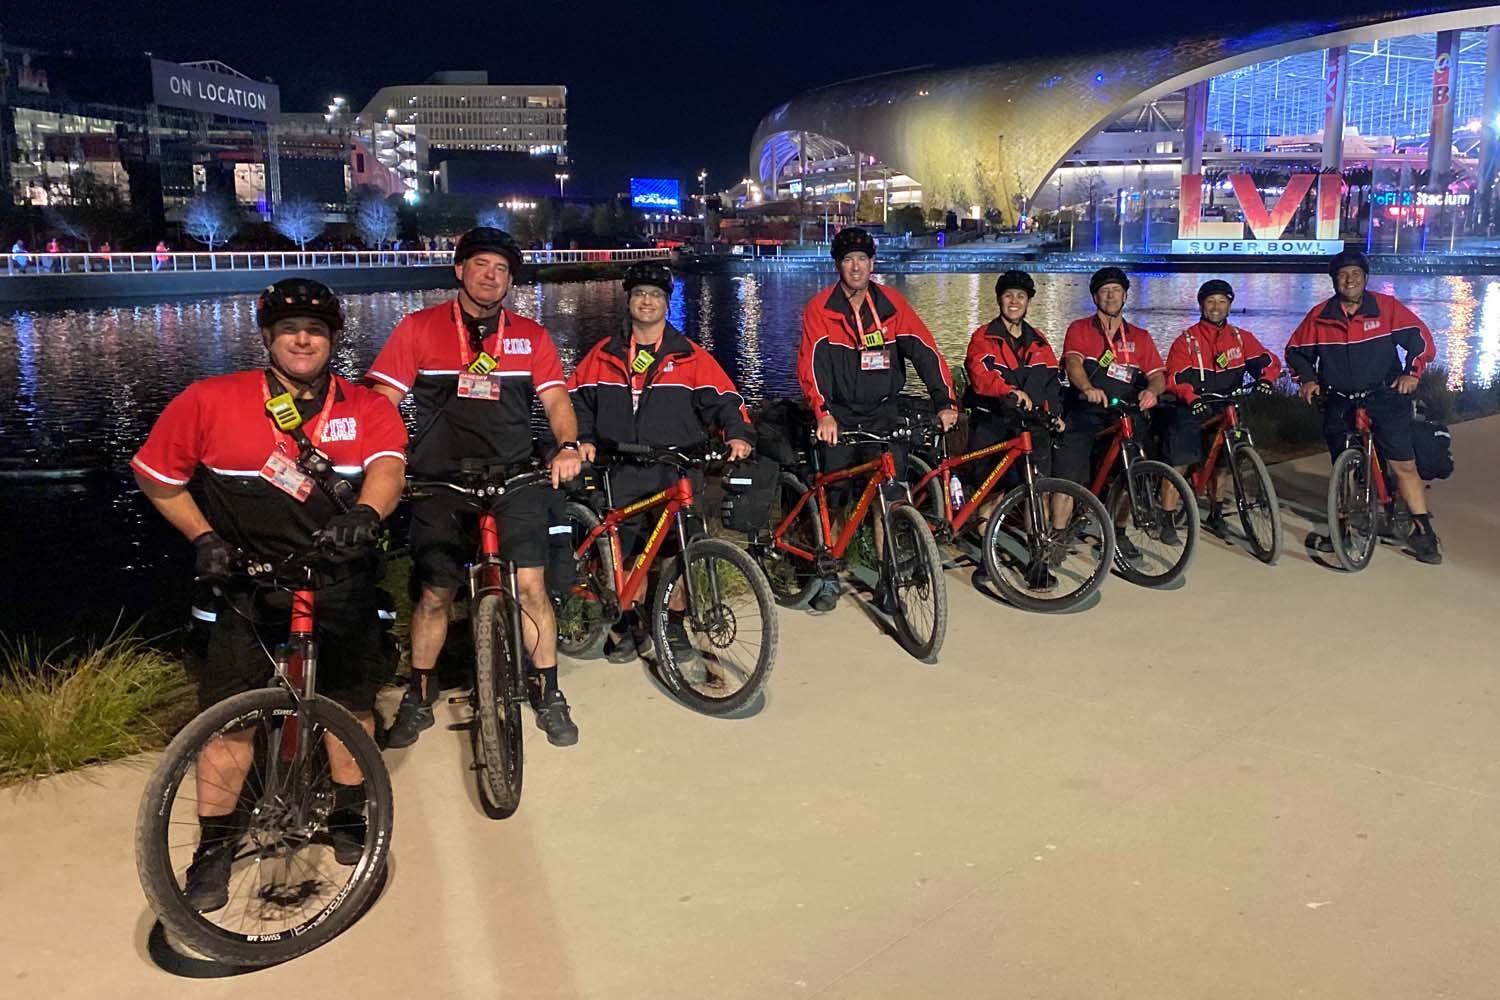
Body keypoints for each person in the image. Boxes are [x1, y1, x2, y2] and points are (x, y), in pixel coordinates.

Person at [131, 278, 407, 911]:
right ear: (268, 339)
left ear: (332, 339)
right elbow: (156, 477)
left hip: (338, 579)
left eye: (314, 329)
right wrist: (202, 537)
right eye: (288, 331)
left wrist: (366, 514)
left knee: (351, 707)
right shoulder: (211, 400)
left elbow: (388, 466)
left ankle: (346, 815)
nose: (302, 339)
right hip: (250, 584)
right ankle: (215, 845)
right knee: (232, 722)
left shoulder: (366, 407)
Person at [367, 227, 583, 748]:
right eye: (481, 265)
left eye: (502, 269)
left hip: (514, 477)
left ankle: (548, 690)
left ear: (511, 280)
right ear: (459, 270)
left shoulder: (529, 336)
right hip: (440, 480)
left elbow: (556, 401)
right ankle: (420, 696)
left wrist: (569, 445)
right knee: (435, 595)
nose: (491, 276)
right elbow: (380, 402)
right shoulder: (418, 328)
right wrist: (375, 461)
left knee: (531, 588)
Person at [568, 261, 755, 662]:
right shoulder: (603, 354)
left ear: (667, 305)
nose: (647, 301)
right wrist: (580, 439)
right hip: (621, 467)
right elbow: (574, 400)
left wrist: (737, 434)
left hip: (674, 468)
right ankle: (628, 623)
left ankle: (673, 621)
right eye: (639, 294)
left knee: (679, 551)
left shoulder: (690, 356)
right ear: (629, 301)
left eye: (655, 295)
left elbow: (726, 401)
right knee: (628, 550)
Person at [796, 226, 958, 612]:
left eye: (862, 260)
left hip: (884, 412)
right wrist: (823, 413)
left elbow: (925, 352)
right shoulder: (820, 309)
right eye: (849, 260)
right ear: (839, 265)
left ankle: (889, 579)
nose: (856, 266)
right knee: (833, 498)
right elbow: (811, 367)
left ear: (872, 264)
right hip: (839, 415)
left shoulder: (891, 305)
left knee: (889, 498)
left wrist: (945, 401)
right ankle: (828, 574)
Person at [1286, 249, 1440, 564]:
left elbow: (1420, 340)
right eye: (1342, 275)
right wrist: (1307, 380)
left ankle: (1424, 533)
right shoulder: (1319, 316)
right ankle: (1340, 529)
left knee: (1403, 466)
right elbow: (1295, 351)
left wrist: (1411, 373)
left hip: (1384, 395)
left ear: (1365, 278)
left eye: (1356, 274)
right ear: (1334, 281)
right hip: (1338, 399)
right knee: (1342, 466)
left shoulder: (1386, 308)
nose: (1349, 279)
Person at [1053, 266, 1170, 554]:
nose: (1111, 296)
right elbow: (1073, 363)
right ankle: (1056, 536)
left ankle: (1118, 530)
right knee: (1069, 472)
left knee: (1132, 471)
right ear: (1095, 297)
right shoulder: (1080, 329)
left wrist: (1151, 392)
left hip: (1126, 411)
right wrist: (1086, 388)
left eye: (1116, 290)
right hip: (1088, 409)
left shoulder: (1140, 337)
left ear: (1125, 296)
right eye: (1104, 291)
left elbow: (1157, 375)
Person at [1162, 279, 1281, 538]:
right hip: (1192, 405)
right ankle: (1167, 518)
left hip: (1227, 405)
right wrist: (1191, 397)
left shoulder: (1240, 338)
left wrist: (1266, 380)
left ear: (1229, 306)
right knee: (1179, 463)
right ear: (1202, 305)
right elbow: (1174, 377)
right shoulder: (1186, 340)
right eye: (1210, 301)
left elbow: (1268, 361)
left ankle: (1216, 514)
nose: (1216, 307)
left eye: (1222, 302)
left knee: (1224, 466)